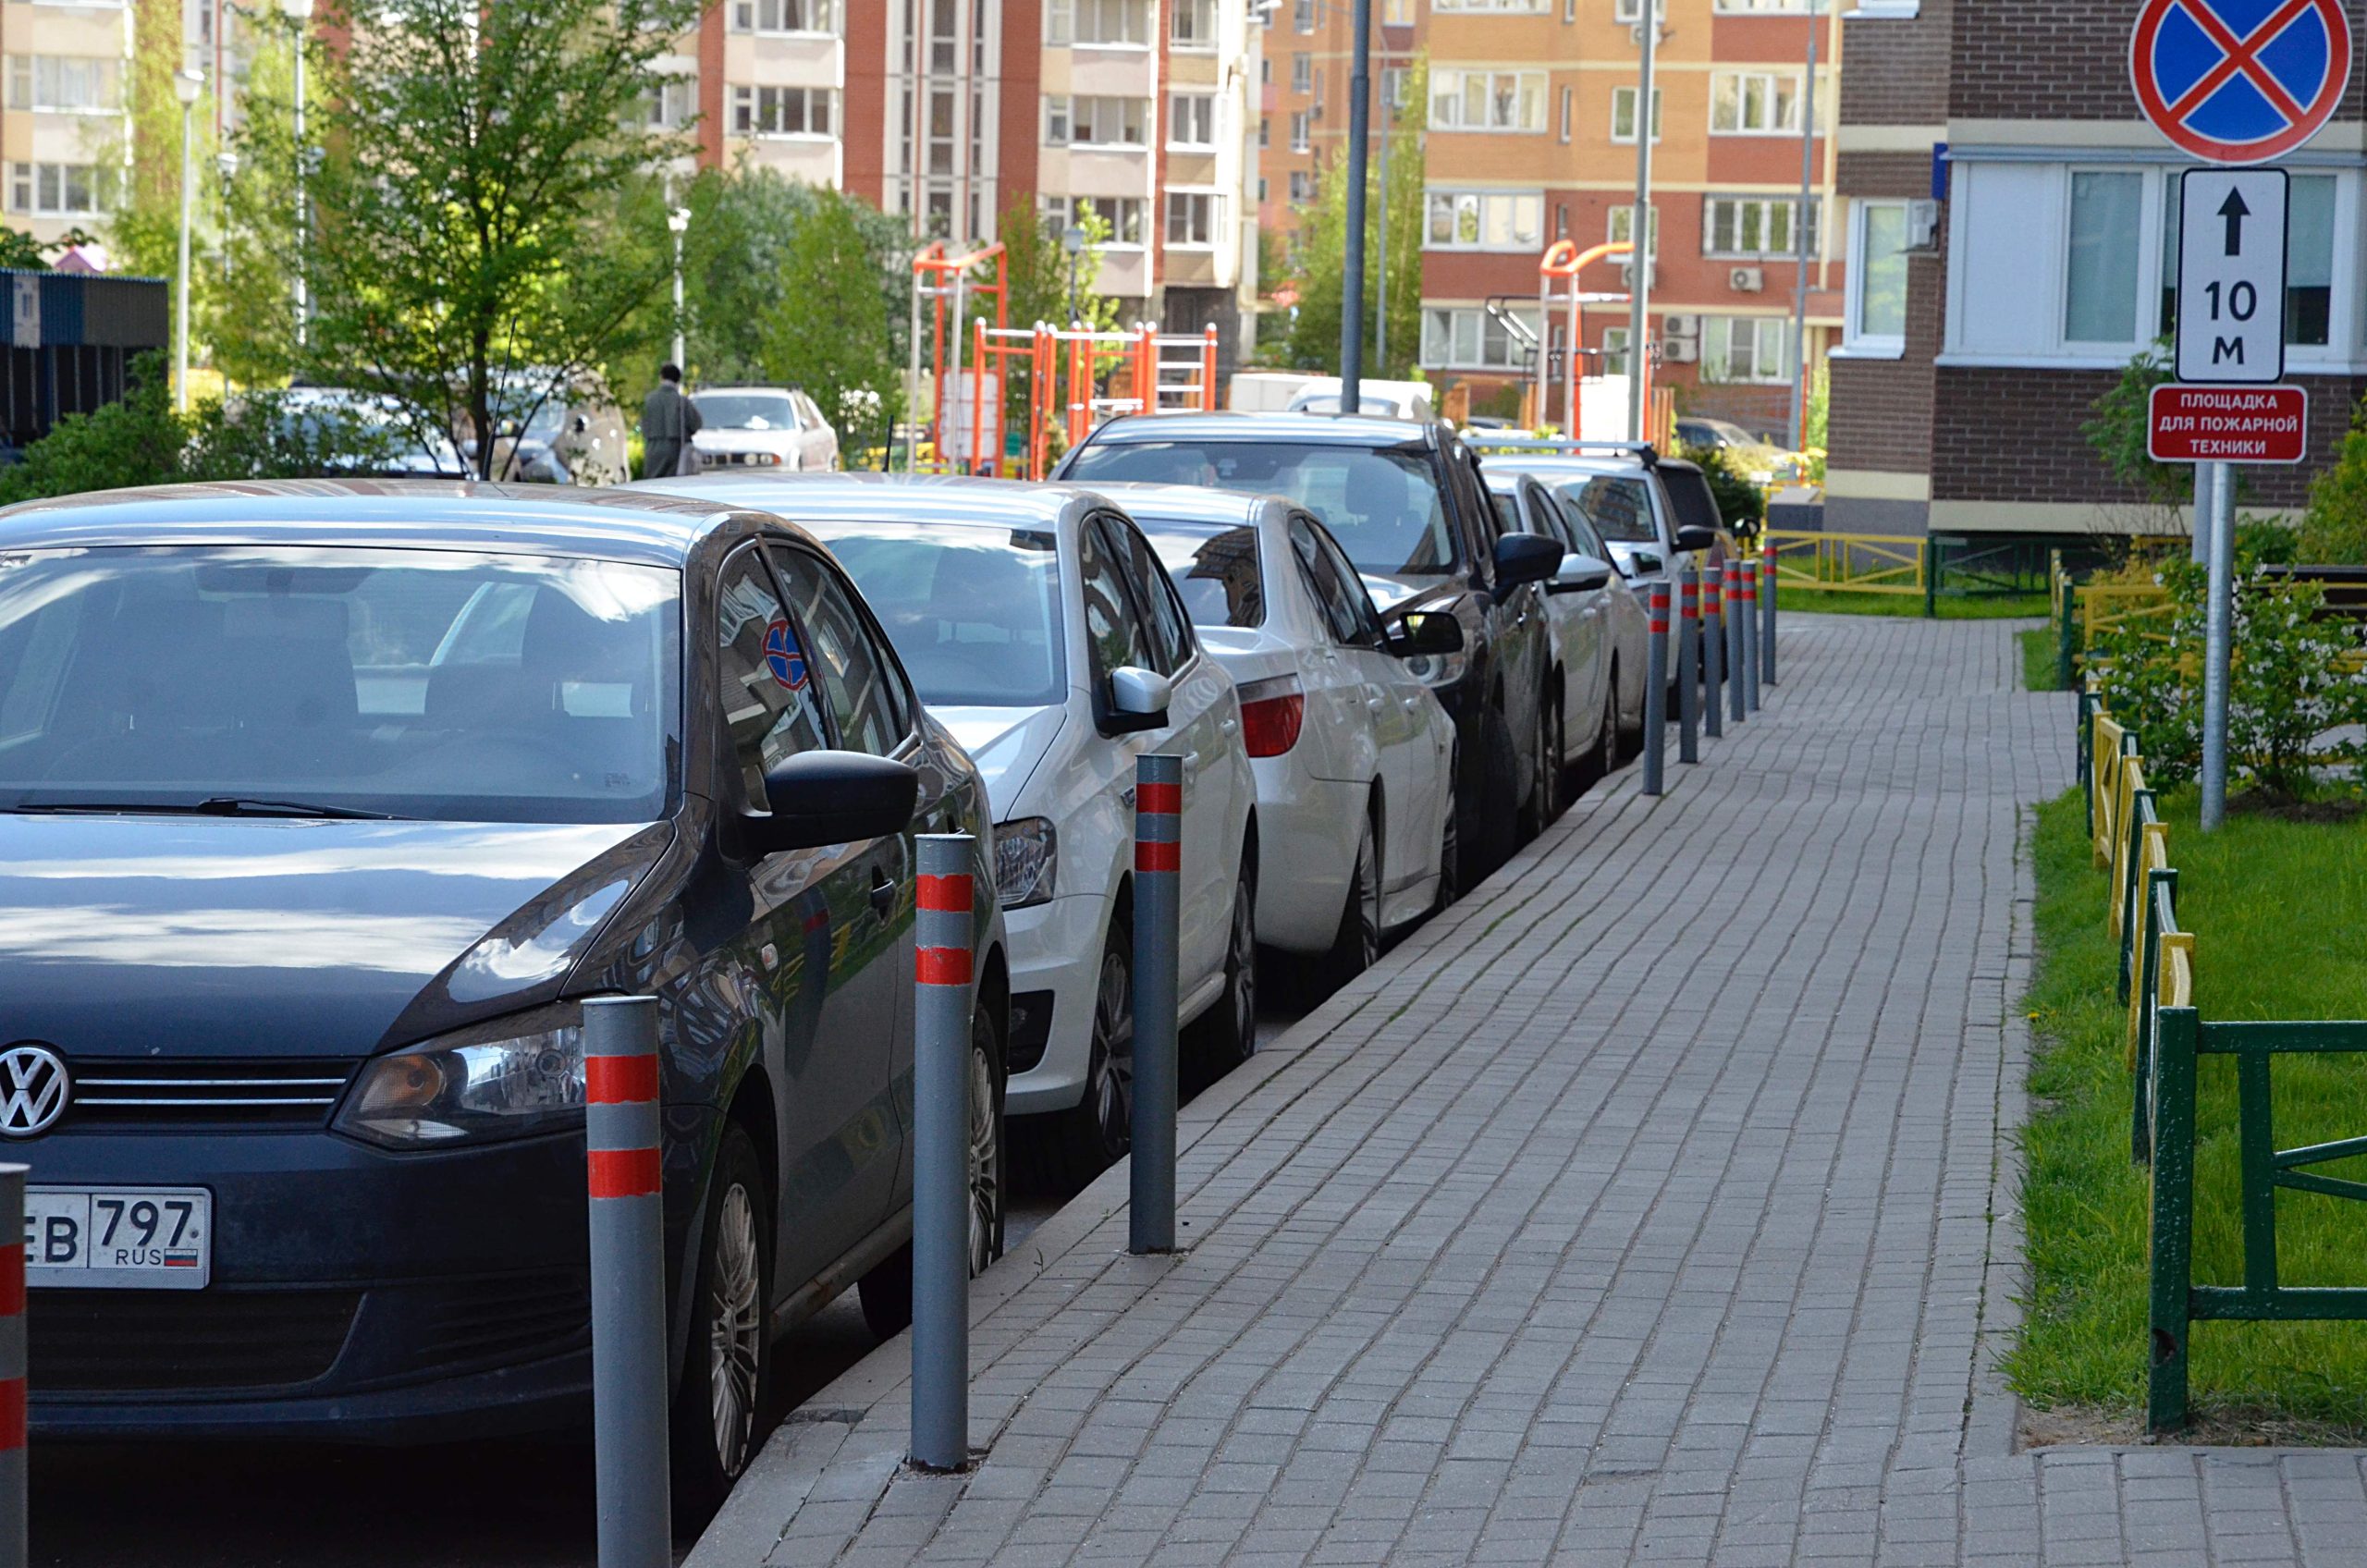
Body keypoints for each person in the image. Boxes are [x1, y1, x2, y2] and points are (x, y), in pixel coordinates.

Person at [640, 363, 702, 479]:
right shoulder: (682, 401)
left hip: (653, 448)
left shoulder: (649, 400)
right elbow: (696, 424)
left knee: (653, 485)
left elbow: (643, 426)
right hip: (677, 449)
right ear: (678, 380)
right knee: (674, 484)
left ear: (661, 377)